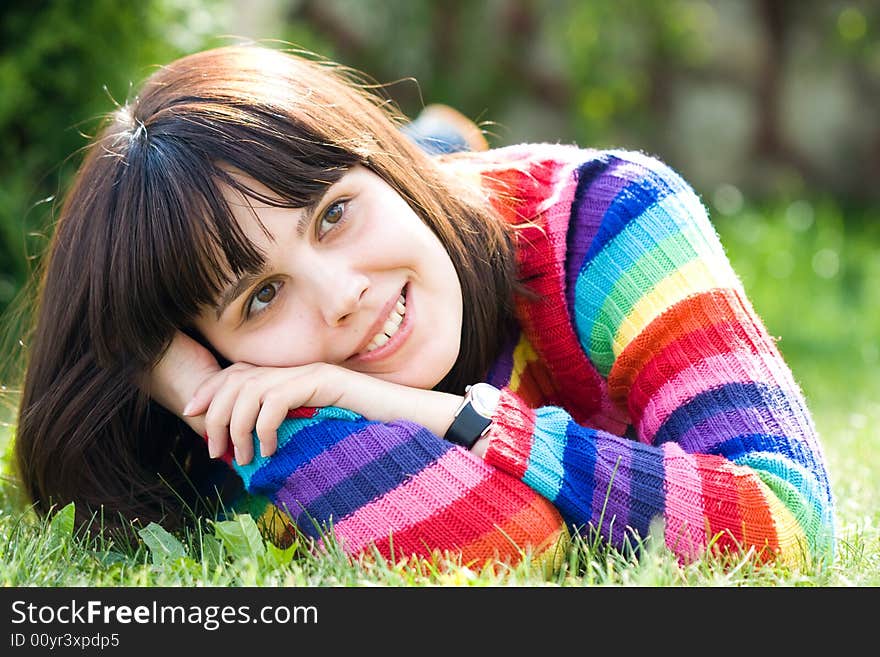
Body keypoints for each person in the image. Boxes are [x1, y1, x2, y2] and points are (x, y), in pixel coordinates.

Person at [13, 44, 835, 570]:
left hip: (457, 198)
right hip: (416, 202)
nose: (342, 296)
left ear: (380, 170)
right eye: (260, 297)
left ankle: (434, 140)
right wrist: (217, 399)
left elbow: (787, 525)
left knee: (437, 163)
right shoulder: (243, 394)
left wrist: (425, 410)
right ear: (212, 349)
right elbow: (513, 547)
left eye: (334, 211)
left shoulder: (609, 217)